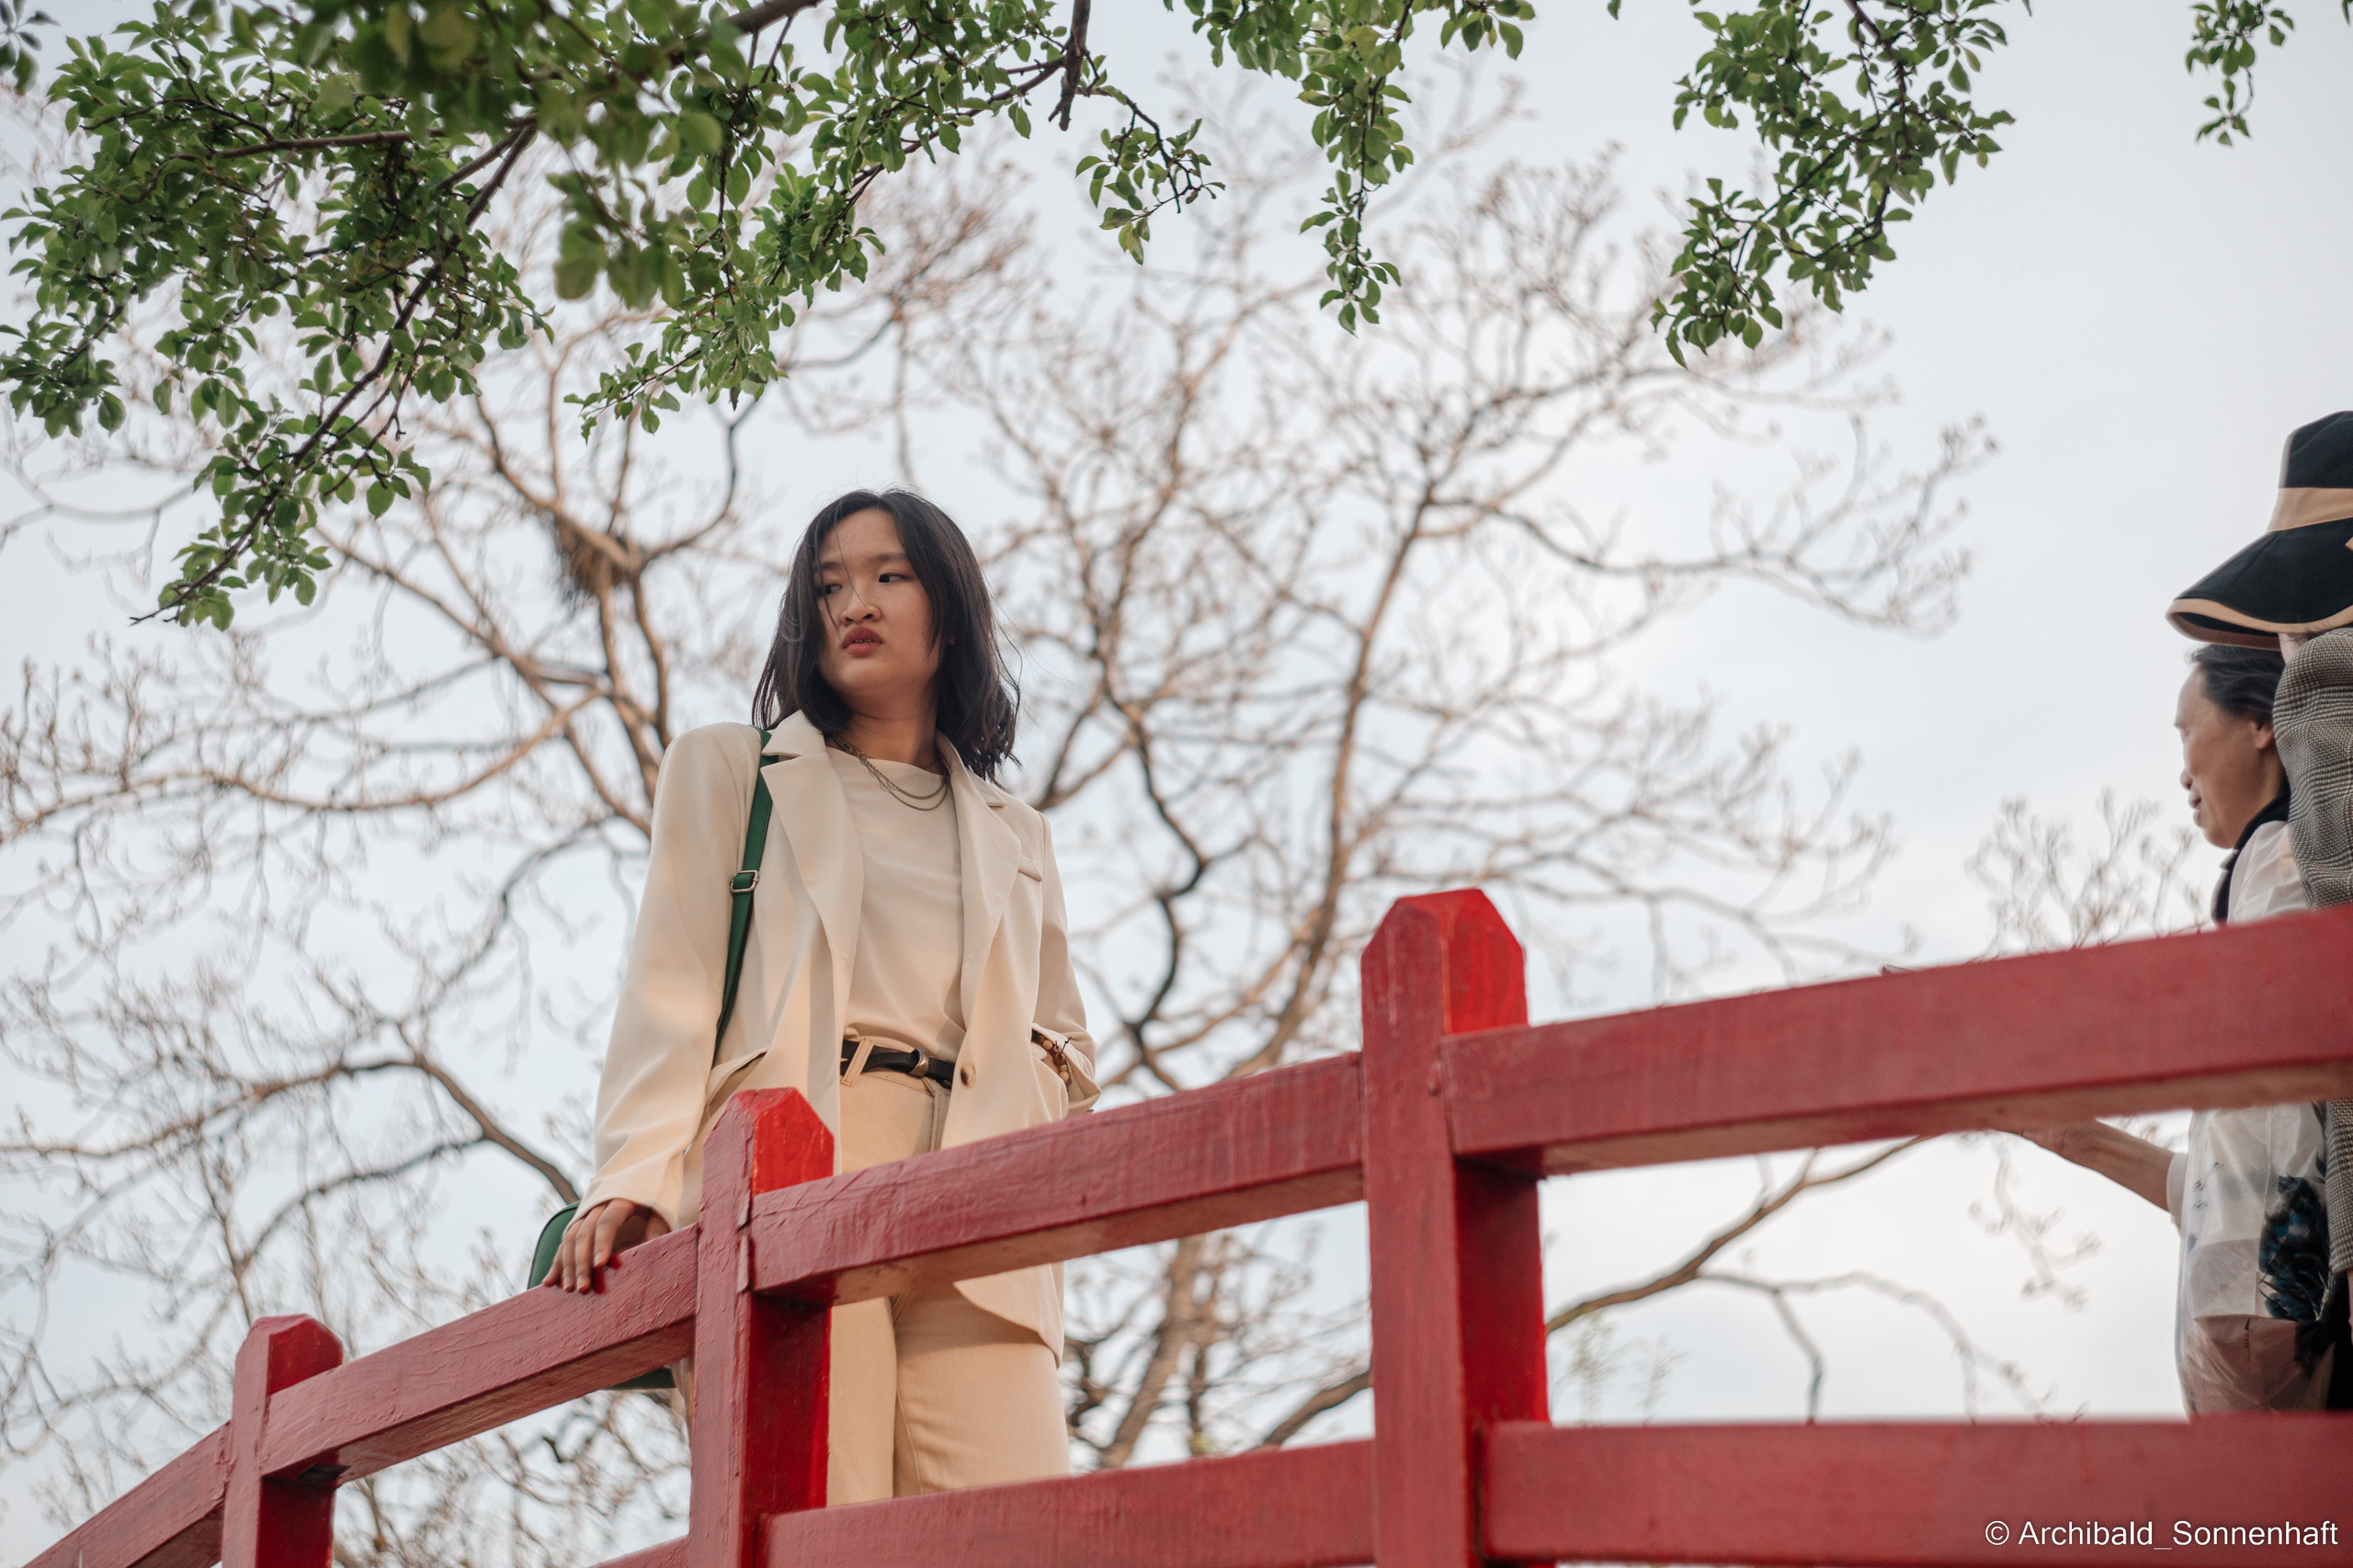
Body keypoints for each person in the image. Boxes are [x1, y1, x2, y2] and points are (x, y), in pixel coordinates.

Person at [542, 488, 1099, 1500]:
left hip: (977, 1194)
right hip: (796, 1163)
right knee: (812, 1512)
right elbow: (668, 989)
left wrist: (1036, 1097)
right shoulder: (731, 771)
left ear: (949, 610)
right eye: (829, 584)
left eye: (889, 575)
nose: (856, 602)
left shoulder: (1019, 833)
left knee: (1012, 1525)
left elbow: (1064, 1037)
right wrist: (634, 1174)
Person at [2018, 642, 2338, 1412]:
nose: (2182, 769)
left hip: (2289, 1328)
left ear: (2262, 723)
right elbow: (2248, 1161)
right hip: (2267, 1360)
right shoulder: (2262, 877)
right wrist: (2075, 1136)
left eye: (2185, 730)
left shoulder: (2285, 855)